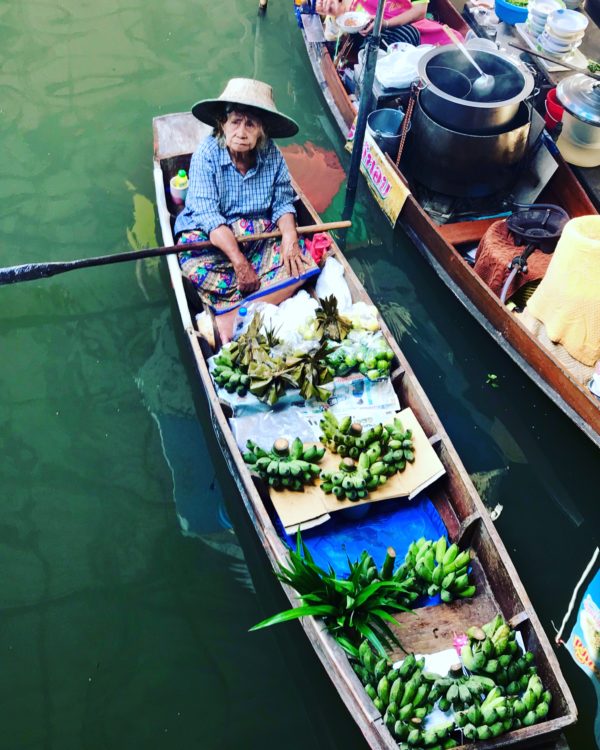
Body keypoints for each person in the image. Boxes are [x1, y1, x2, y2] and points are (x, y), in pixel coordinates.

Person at [174, 78, 319, 343]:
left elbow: (283, 203)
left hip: (256, 240)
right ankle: (261, 296)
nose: (241, 132)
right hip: (213, 241)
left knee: (302, 262)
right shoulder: (206, 154)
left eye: (250, 124)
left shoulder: (271, 155)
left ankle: (230, 317)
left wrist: (289, 238)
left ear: (261, 131)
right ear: (223, 124)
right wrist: (240, 264)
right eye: (235, 122)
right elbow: (208, 217)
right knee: (192, 265)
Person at [316, 0, 429, 48]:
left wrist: (385, 23)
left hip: (405, 29)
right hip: (365, 33)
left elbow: (420, 11)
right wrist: (337, 10)